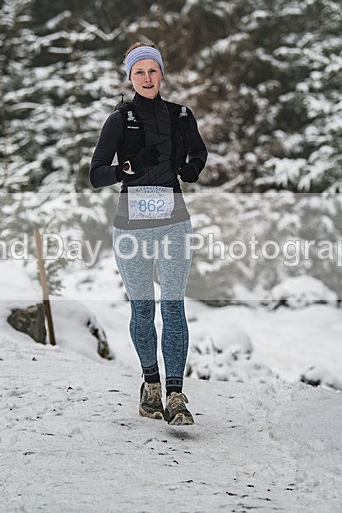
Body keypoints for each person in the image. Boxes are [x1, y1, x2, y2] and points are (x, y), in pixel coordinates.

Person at [89, 42, 208, 425]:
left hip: (173, 219)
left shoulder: (180, 115)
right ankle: (150, 386)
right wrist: (127, 167)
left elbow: (199, 154)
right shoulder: (119, 119)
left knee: (173, 307)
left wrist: (191, 170)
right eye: (138, 72)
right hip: (132, 225)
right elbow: (95, 175)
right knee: (143, 310)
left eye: (152, 71)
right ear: (130, 78)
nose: (146, 78)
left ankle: (175, 394)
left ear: (161, 74)